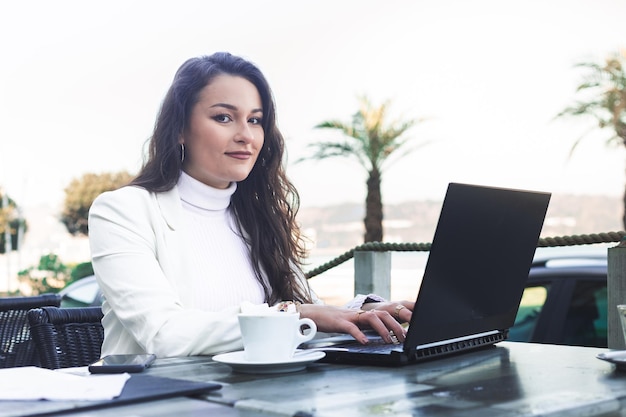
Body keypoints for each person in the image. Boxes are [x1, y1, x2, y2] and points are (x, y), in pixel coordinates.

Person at [88, 52, 415, 358]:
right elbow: (164, 334)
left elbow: (309, 311)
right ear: (180, 130)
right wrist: (294, 314)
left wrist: (364, 314)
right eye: (224, 117)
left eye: (255, 120)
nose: (246, 135)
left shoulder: (256, 216)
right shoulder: (122, 212)